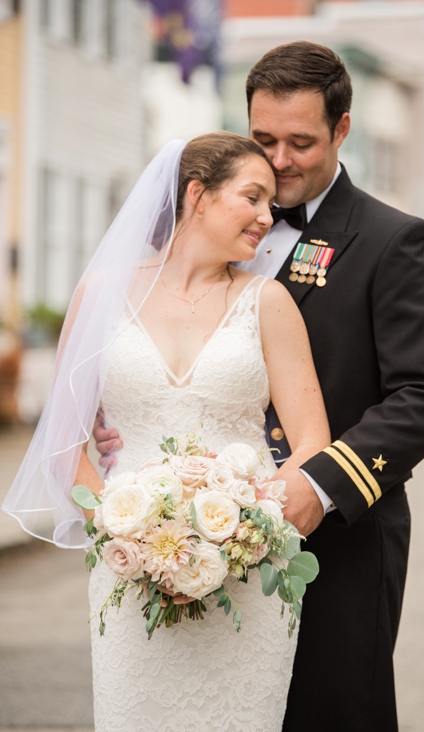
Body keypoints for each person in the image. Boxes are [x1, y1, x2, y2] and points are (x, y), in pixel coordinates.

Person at [95, 42, 424, 730]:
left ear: (342, 129)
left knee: (332, 711)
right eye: (264, 140)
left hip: (340, 536)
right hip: (191, 539)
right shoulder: (210, 232)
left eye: (302, 142)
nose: (281, 159)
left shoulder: (393, 241)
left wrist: (319, 483)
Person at [4, 133, 330, 728]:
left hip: (248, 567)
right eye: (253, 197)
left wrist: (247, 531)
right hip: (129, 560)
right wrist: (129, 536)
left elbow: (311, 442)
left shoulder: (270, 302)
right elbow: (63, 440)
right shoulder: (100, 293)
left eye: (270, 204)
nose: (267, 217)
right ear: (198, 196)